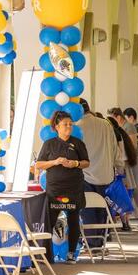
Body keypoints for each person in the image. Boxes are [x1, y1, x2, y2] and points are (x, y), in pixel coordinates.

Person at [36, 111, 90, 264]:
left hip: (74, 187)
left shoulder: (78, 143)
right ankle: (46, 254)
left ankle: (71, 253)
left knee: (73, 220)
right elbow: (39, 164)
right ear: (57, 126)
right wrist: (54, 162)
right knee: (50, 221)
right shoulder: (49, 144)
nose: (69, 127)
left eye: (70, 124)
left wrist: (75, 163)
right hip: (55, 190)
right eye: (65, 124)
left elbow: (86, 162)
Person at [77, 98, 123, 247]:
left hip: (86, 175)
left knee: (88, 210)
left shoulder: (77, 127)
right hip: (106, 174)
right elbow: (115, 148)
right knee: (104, 209)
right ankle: (102, 239)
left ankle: (92, 243)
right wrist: (118, 166)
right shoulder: (105, 124)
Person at [106, 115, 138, 231]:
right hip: (124, 169)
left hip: (118, 169)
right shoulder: (120, 133)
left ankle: (113, 222)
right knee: (125, 197)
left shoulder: (113, 135)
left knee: (115, 197)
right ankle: (125, 223)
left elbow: (116, 154)